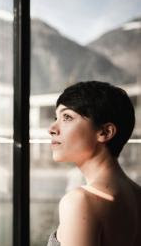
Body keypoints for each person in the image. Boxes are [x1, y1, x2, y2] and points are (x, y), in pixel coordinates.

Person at [47, 81, 141, 245]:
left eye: (67, 117)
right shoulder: (137, 194)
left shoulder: (80, 201)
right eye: (56, 117)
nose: (52, 128)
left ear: (105, 132)